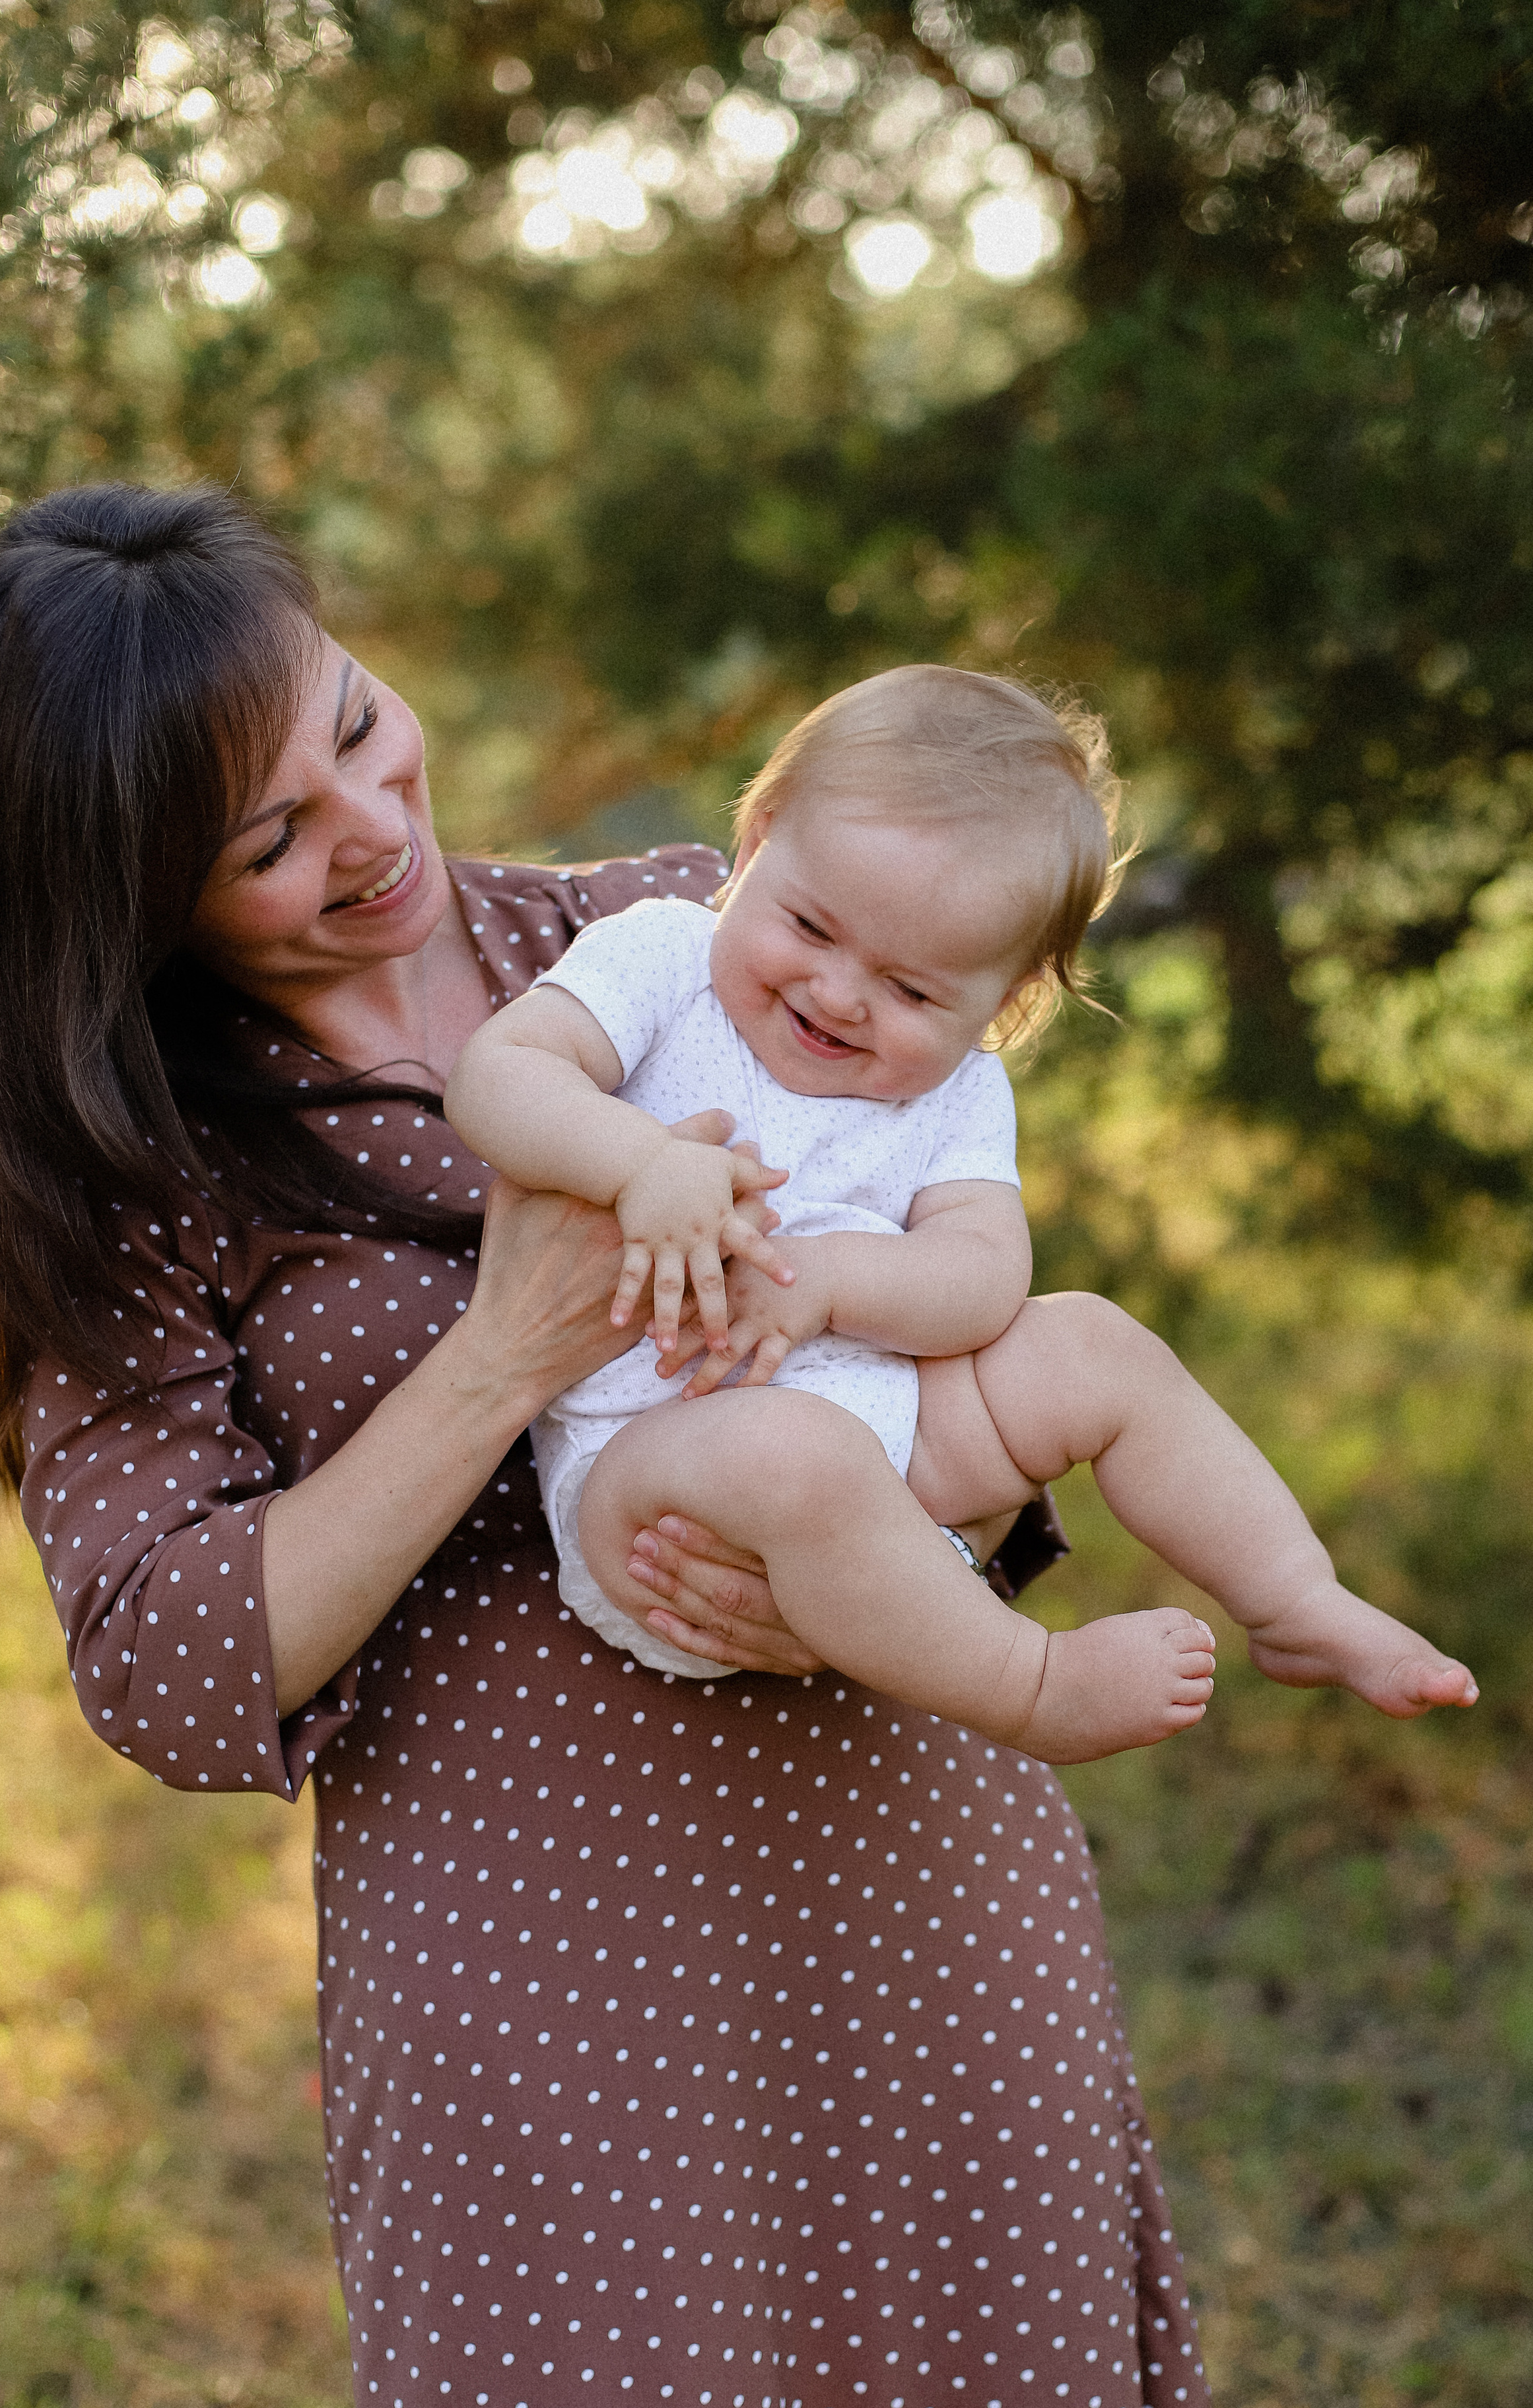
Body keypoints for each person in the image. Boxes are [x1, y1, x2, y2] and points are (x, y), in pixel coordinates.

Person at [0, 481, 1239, 2408]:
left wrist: (921, 1543)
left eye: (352, 724)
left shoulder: (686, 933)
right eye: (264, 838)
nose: (368, 825)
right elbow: (170, 1668)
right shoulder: (135, 1175)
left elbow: (953, 1311)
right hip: (547, 1990)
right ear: (118, 896)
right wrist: (508, 1352)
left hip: (914, 1885)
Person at [444, 668, 1476, 1756]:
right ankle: (1033, 1687)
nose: (841, 994)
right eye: (810, 925)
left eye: (914, 989)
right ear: (754, 842)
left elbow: (986, 1278)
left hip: (898, 1450)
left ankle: (1297, 1600)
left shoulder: (956, 1093)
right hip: (648, 1478)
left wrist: (835, 1281)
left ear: (1010, 999)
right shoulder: (663, 960)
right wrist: (640, 1165)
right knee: (793, 1453)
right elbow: (498, 1077)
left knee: (1093, 1345)